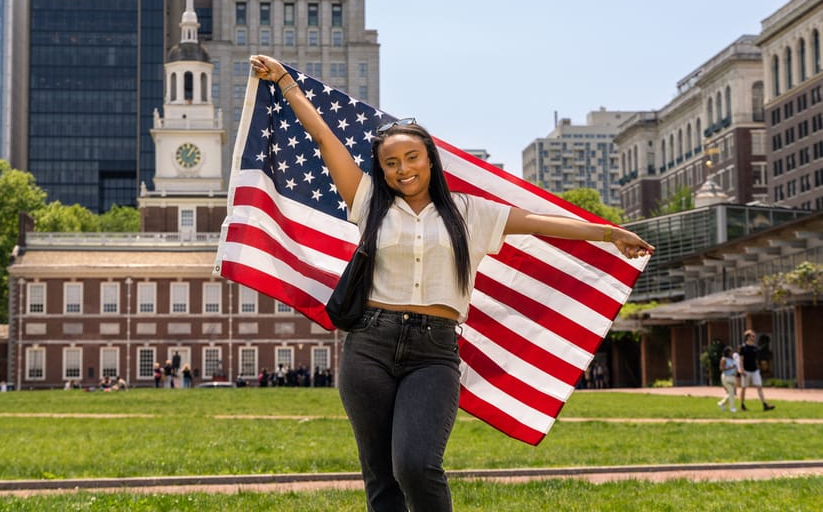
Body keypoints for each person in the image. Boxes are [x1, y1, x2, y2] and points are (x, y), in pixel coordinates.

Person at [249, 55, 655, 511]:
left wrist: (609, 233)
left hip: (435, 352)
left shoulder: (469, 212)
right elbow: (324, 138)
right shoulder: (367, 201)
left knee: (416, 464)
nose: (403, 169)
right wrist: (285, 82)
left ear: (429, 159)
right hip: (369, 346)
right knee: (380, 476)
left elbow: (539, 223)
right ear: (380, 170)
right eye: (390, 163)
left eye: (411, 158)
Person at [738, 329, 775, 411]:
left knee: (759, 387)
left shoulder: (755, 347)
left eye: (754, 336)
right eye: (752, 336)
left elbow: (757, 359)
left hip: (755, 370)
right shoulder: (743, 347)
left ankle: (765, 404)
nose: (754, 337)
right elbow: (741, 359)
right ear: (748, 337)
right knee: (744, 387)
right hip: (746, 371)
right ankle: (742, 405)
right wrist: (741, 369)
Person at [717, 346, 738, 413]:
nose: (732, 353)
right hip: (726, 377)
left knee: (732, 393)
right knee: (731, 392)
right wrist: (730, 368)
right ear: (727, 352)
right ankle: (732, 408)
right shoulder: (724, 359)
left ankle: (721, 403)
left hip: (733, 377)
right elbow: (721, 368)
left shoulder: (732, 359)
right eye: (730, 351)